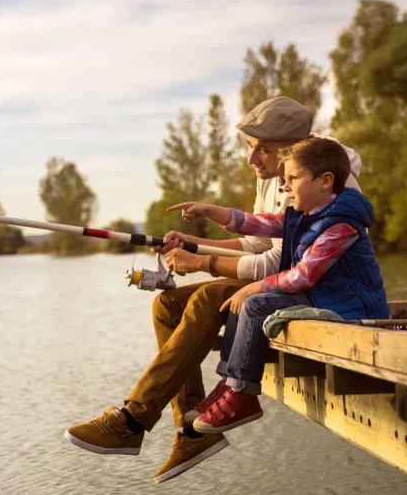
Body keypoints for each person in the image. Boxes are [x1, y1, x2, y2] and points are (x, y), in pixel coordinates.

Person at [63, 97, 366, 484]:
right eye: (249, 147)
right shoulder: (275, 177)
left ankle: (134, 417)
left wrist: (202, 263)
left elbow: (279, 262)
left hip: (313, 288)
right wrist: (191, 245)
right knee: (166, 307)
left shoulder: (324, 178)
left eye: (263, 150)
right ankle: (189, 434)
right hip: (281, 278)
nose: (252, 160)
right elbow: (259, 242)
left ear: (292, 150)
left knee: (206, 296)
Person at [168, 136, 389, 434]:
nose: (285, 187)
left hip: (350, 306)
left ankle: (243, 396)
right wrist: (209, 209)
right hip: (322, 296)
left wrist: (253, 287)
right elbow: (256, 223)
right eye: (284, 180)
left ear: (325, 181)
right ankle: (230, 384)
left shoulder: (341, 223)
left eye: (293, 179)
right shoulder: (307, 214)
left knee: (255, 302)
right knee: (242, 298)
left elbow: (303, 276)